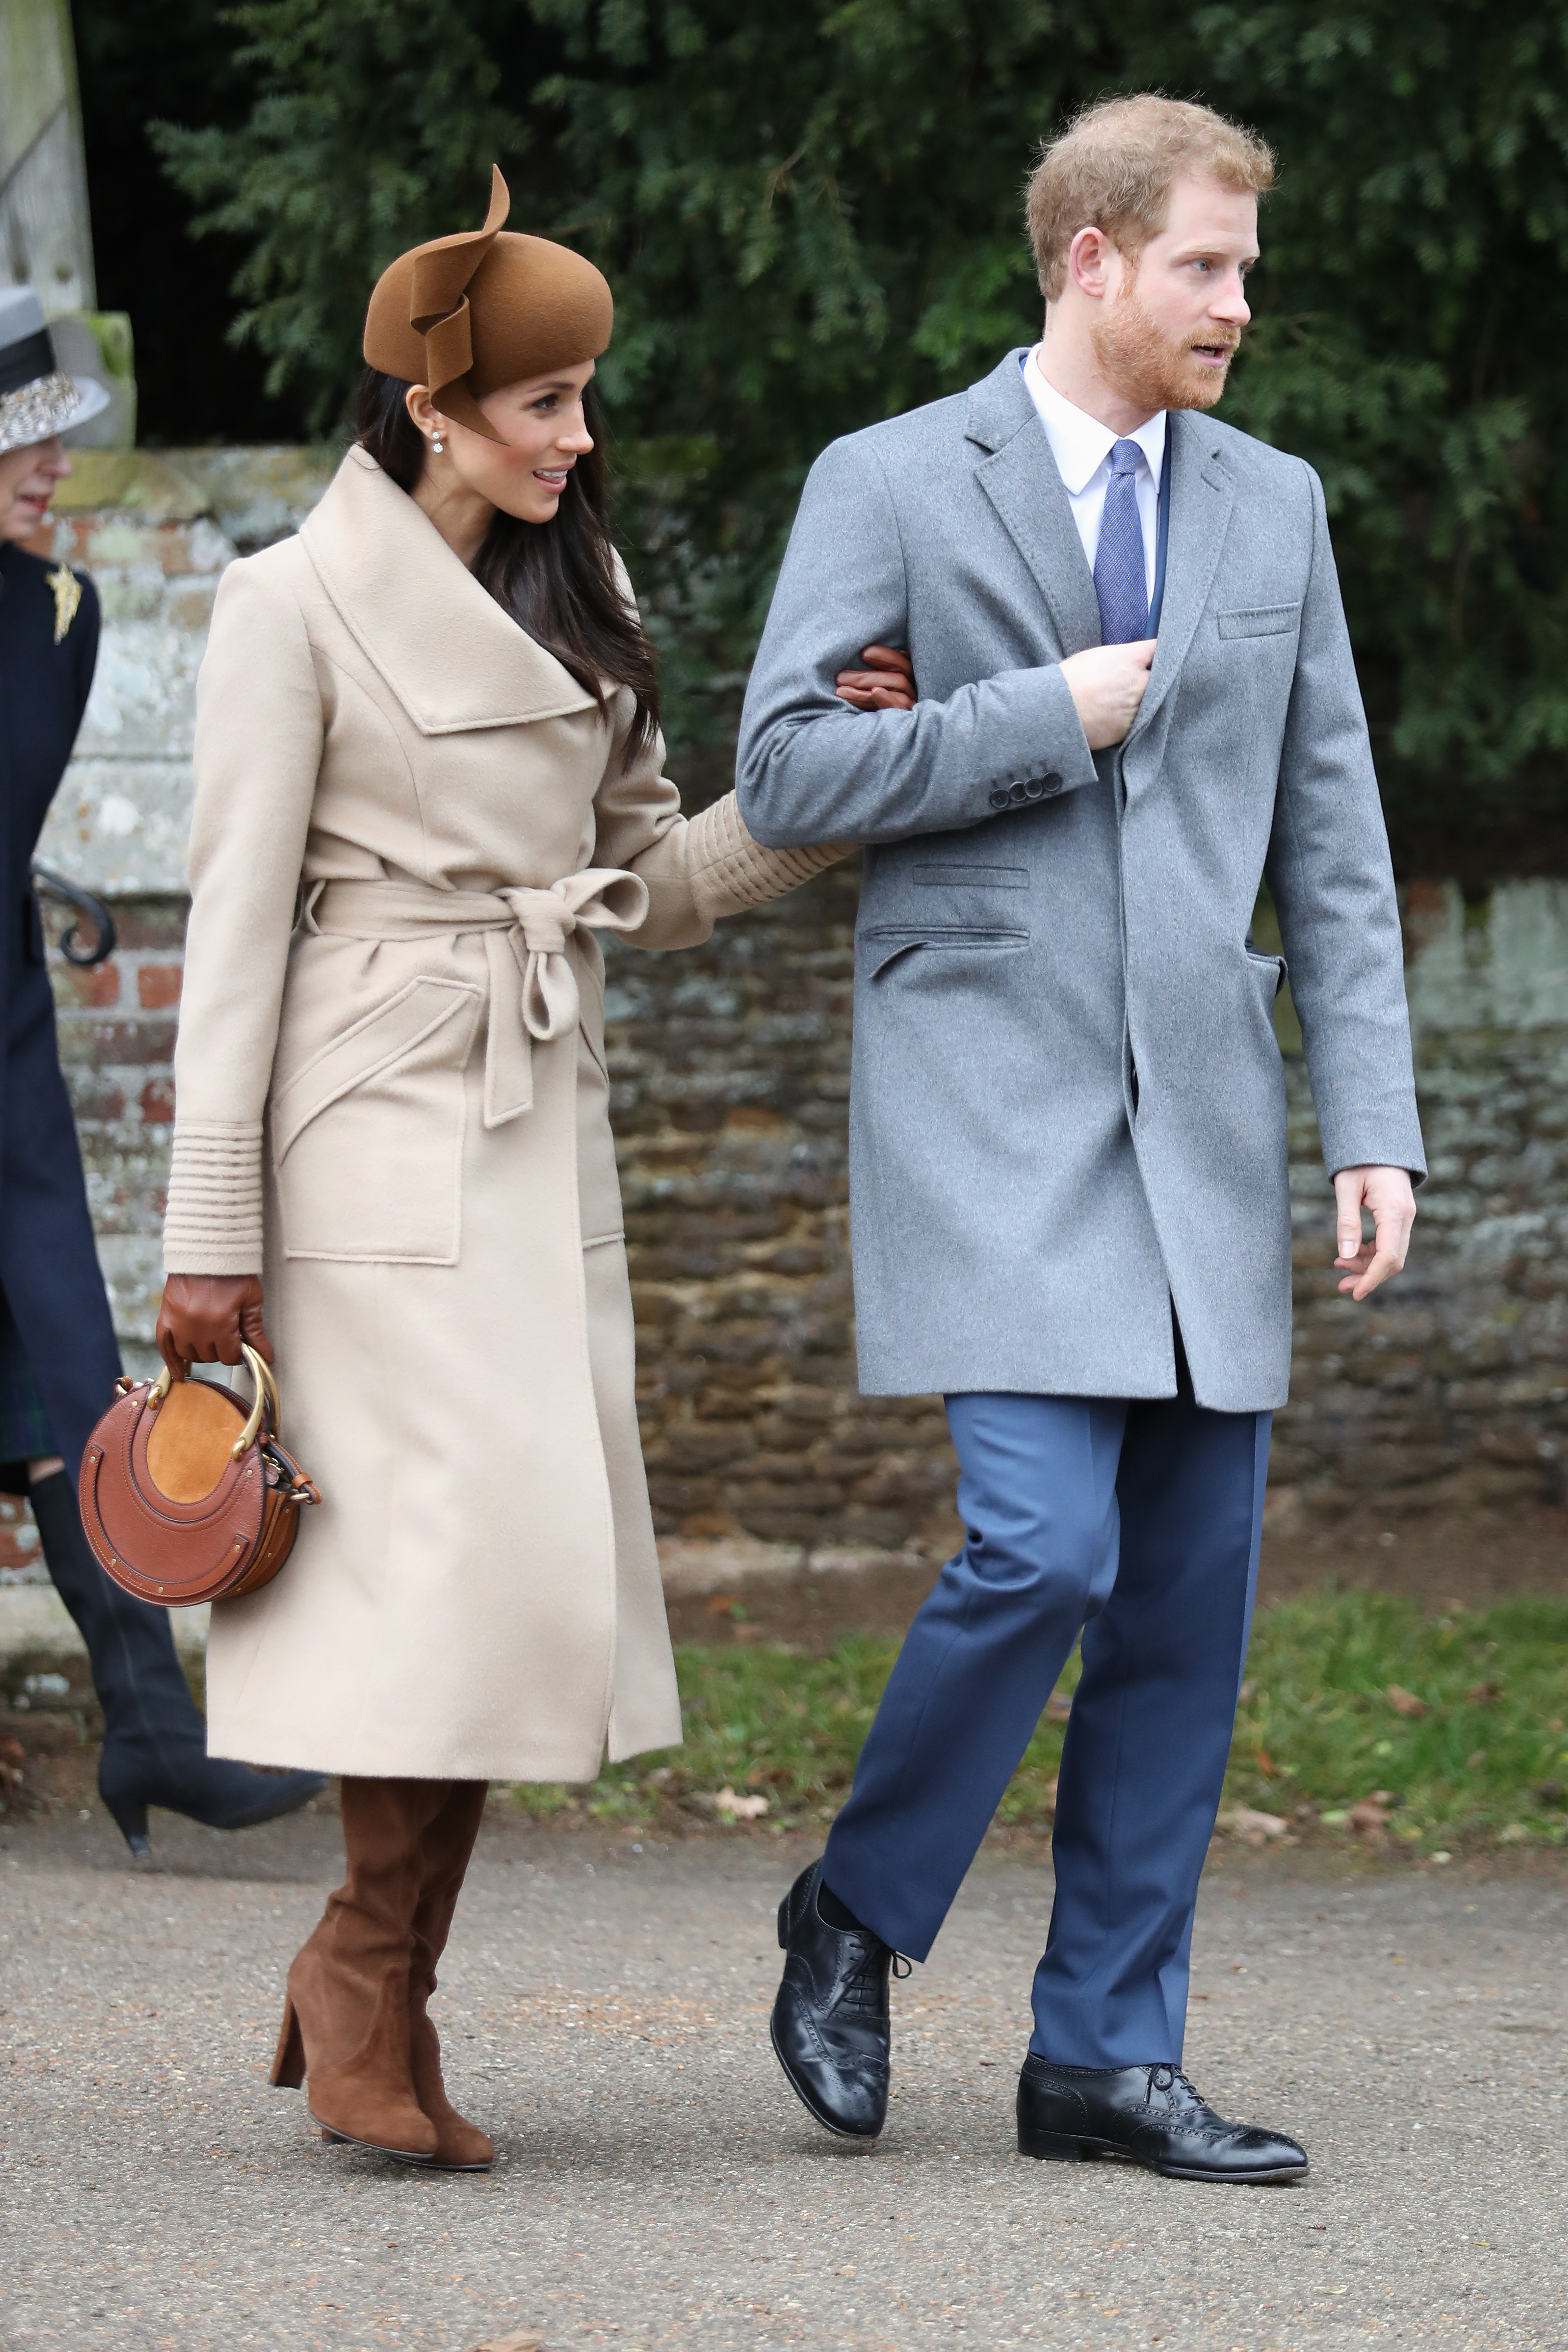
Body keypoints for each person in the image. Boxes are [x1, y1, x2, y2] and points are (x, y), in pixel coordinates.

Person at [737, 95, 1424, 2184]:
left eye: (1243, 264)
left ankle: (1101, 2059)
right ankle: (852, 1916)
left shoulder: (1273, 506)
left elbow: (1332, 828)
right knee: (1043, 1543)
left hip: (1205, 1121)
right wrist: (1056, 710)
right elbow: (781, 775)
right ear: (1089, 257)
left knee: (1187, 1603)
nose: (1241, 299)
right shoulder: (888, 479)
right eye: (1207, 263)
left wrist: (1367, 1119)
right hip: (985, 1103)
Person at [154, 169, 845, 2171]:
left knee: (506, 1592)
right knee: (429, 1585)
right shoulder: (287, 606)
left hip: (533, 1115)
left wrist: (827, 801)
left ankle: (370, 1980)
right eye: (544, 403)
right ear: (431, 410)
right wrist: (209, 1248)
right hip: (365, 1124)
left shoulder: (586, 596)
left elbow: (651, 889)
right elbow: (229, 932)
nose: (578, 435)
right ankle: (370, 1985)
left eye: (584, 397)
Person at [0, 286, 322, 1857]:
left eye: (54, 429)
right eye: (16, 433)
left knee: (72, 1369)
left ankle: (150, 1726)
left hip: (5, 1053)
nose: (48, 460)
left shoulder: (56, 616)